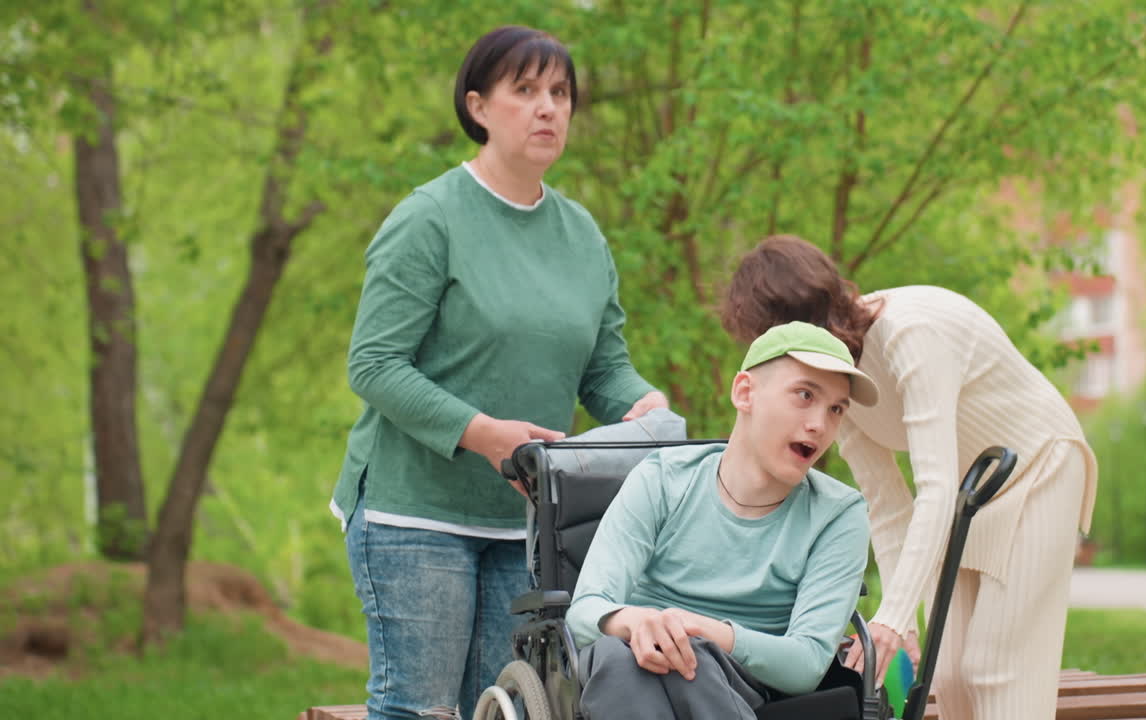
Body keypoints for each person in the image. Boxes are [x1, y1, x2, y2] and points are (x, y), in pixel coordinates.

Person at [330, 26, 668, 720]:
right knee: (416, 709)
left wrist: (641, 403)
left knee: (516, 709)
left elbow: (603, 370)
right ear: (479, 107)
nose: (549, 108)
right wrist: (482, 433)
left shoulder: (583, 236)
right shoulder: (430, 219)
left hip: (530, 525)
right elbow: (373, 364)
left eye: (560, 93)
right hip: (413, 515)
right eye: (527, 91)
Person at [720, 235, 1098, 720]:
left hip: (1040, 469)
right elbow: (888, 507)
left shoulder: (909, 334)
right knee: (951, 675)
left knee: (995, 669)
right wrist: (907, 629)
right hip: (974, 498)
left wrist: (893, 618)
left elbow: (934, 487)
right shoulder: (837, 380)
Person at [566, 322, 877, 720]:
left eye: (836, 409)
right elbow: (585, 611)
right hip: (633, 661)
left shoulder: (839, 514)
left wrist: (698, 630)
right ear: (745, 393)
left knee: (683, 659)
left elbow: (806, 663)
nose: (820, 424)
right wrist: (638, 621)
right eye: (805, 395)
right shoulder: (662, 477)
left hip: (746, 686)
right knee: (617, 654)